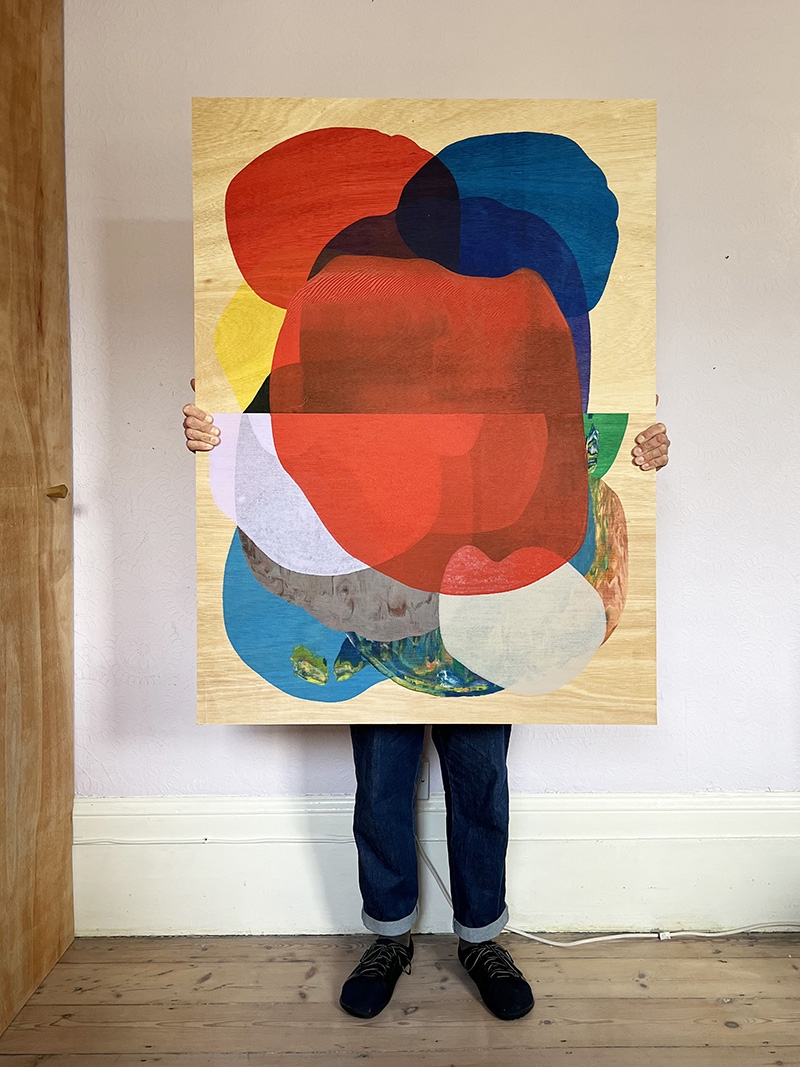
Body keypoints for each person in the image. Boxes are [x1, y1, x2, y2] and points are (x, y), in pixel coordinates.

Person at [183, 387, 669, 1020]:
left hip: (487, 598)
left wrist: (638, 447)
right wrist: (217, 428)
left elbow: (584, 408)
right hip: (380, 585)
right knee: (381, 781)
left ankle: (481, 937)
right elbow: (270, 413)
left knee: (480, 780)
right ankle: (389, 934)